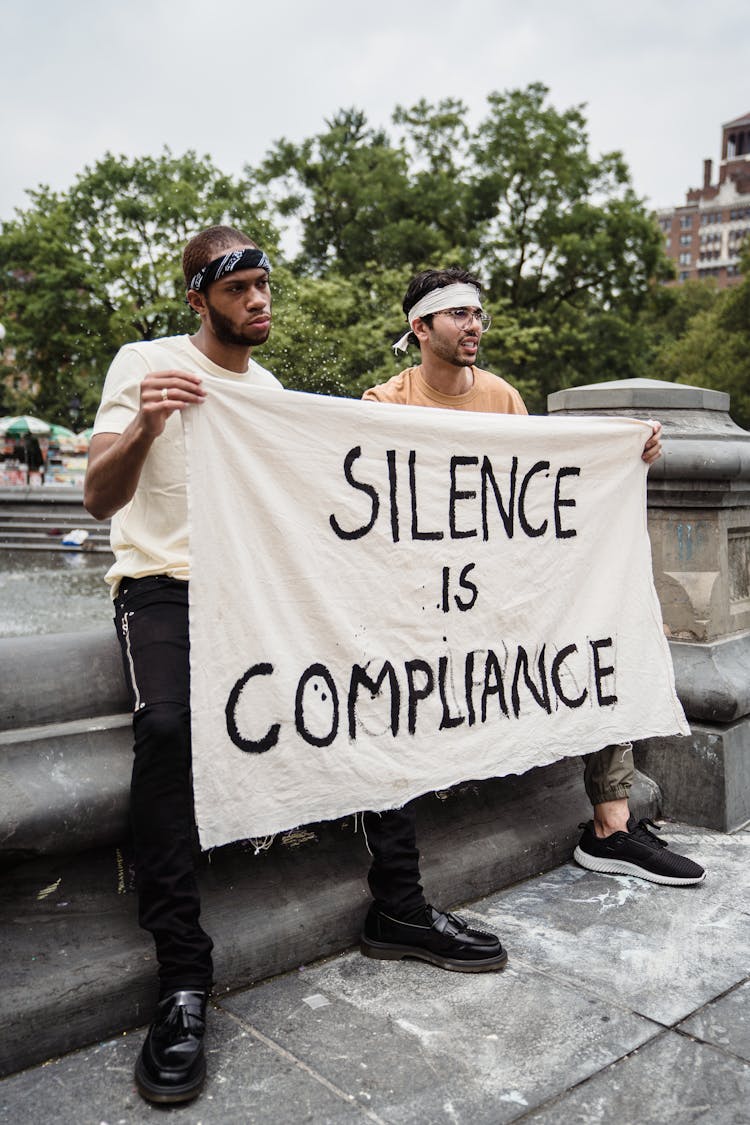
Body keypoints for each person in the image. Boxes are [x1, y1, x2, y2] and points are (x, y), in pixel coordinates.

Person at [84, 230, 506, 1107]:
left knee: (371, 687)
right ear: (200, 301)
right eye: (240, 289)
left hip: (256, 587)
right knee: (165, 728)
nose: (260, 301)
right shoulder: (144, 362)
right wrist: (151, 422)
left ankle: (398, 901)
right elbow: (98, 496)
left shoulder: (269, 392)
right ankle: (183, 980)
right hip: (163, 588)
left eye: (265, 285)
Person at [358, 268, 705, 965]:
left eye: (478, 313)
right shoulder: (384, 401)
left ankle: (610, 823)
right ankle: (397, 896)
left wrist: (622, 454)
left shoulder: (502, 398)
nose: (473, 325)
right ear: (420, 328)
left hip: (500, 599)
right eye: (456, 314)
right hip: (424, 606)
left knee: (595, 626)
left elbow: (542, 489)